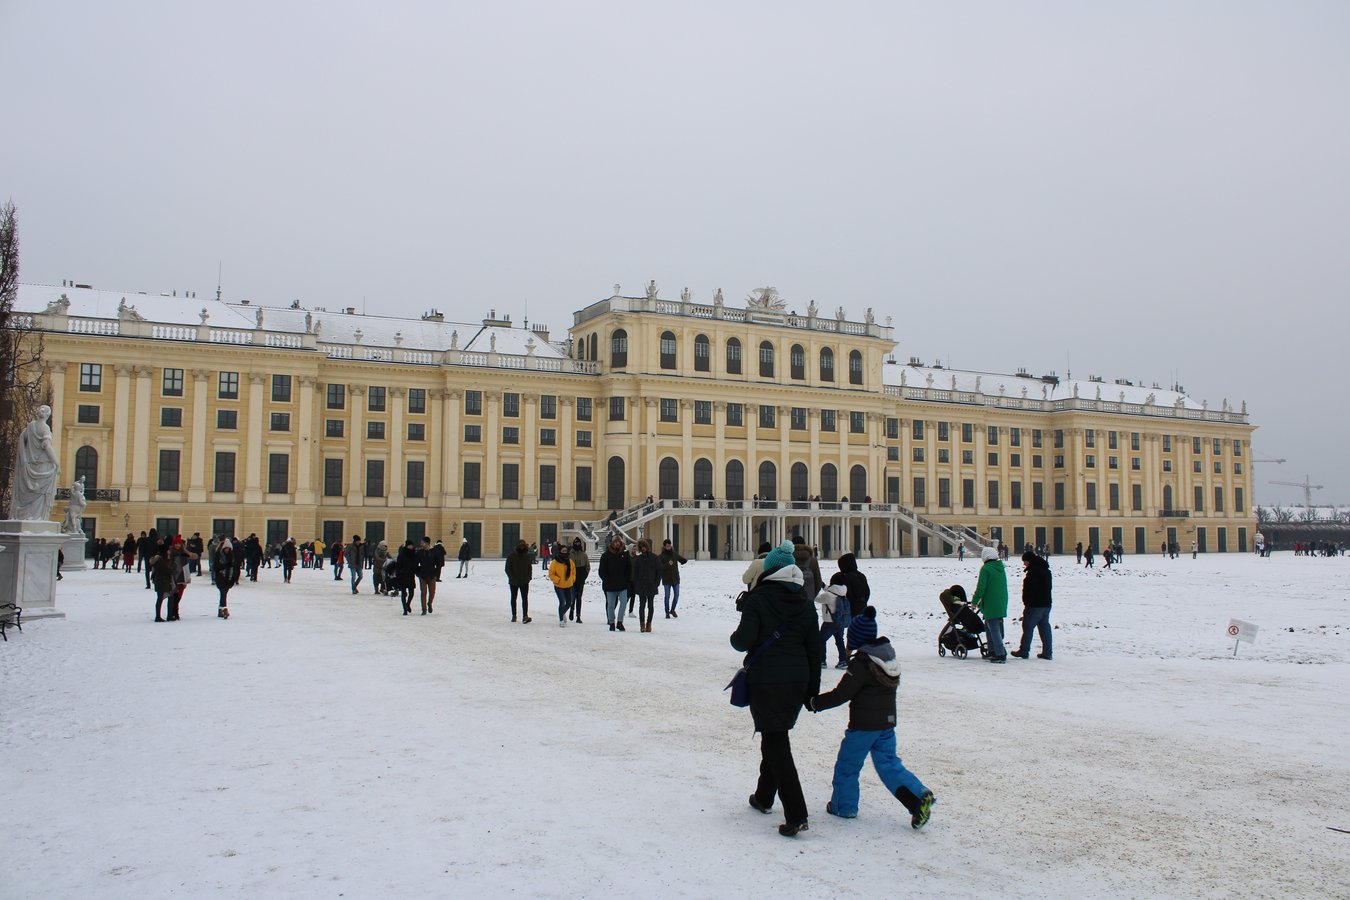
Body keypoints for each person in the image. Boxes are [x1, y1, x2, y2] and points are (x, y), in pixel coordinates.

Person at [807, 607, 935, 829]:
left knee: (847, 766)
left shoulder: (862, 664)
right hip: (886, 724)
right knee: (889, 764)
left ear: (857, 638)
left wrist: (814, 703)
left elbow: (841, 694)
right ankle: (918, 797)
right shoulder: (887, 658)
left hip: (863, 727)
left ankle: (843, 807)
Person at [730, 540, 821, 838]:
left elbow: (743, 641)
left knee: (775, 741)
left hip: (767, 680)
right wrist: (812, 690)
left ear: (769, 571)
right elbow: (815, 651)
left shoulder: (758, 599)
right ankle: (763, 796)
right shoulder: (805, 603)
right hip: (797, 682)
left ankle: (796, 813)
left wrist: (736, 634)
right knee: (775, 734)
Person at [1011, 551, 1053, 660]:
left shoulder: (1033, 572)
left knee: (1028, 627)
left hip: (1035, 605)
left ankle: (1024, 651)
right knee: (1044, 627)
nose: (1024, 564)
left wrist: (1027, 602)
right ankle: (1047, 652)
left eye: (1024, 561)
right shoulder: (1046, 570)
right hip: (1046, 604)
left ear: (1029, 561)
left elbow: (1030, 589)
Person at [970, 546, 1008, 663]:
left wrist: (974, 601)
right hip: (1001, 601)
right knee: (989, 627)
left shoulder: (986, 569)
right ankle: (992, 651)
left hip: (990, 602)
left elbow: (981, 588)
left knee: (994, 629)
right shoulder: (1000, 567)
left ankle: (1000, 654)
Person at [598, 535, 632, 632]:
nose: (617, 543)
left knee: (624, 603)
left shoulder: (625, 555)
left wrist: (626, 580)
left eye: (619, 542)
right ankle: (611, 622)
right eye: (615, 542)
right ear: (612, 543)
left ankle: (620, 622)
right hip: (610, 585)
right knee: (611, 605)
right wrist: (607, 580)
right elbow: (602, 571)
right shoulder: (606, 556)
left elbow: (629, 569)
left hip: (622, 585)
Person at [830, 553, 871, 619]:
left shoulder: (845, 577)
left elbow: (848, 594)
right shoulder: (861, 575)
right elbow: (867, 592)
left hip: (852, 610)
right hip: (863, 607)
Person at [632, 539, 661, 633]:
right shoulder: (639, 559)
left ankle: (649, 623)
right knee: (642, 605)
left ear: (647, 547)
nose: (643, 549)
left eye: (644, 547)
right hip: (641, 586)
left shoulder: (654, 558)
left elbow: (658, 572)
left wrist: (656, 583)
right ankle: (642, 624)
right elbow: (635, 573)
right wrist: (637, 583)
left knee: (650, 606)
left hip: (651, 585)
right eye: (641, 547)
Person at [818, 583, 849, 669]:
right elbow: (832, 590)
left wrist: (813, 587)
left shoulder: (827, 596)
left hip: (829, 623)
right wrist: (823, 586)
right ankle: (843, 661)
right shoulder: (843, 593)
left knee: (821, 640)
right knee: (840, 641)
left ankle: (822, 661)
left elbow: (816, 598)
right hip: (840, 622)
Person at [504, 540, 533, 623]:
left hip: (524, 581)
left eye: (523, 546)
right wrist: (511, 577)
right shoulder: (511, 556)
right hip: (514, 581)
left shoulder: (527, 556)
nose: (522, 547)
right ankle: (514, 615)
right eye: (520, 546)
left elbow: (529, 568)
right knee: (514, 598)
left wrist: (529, 577)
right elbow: (507, 568)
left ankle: (525, 616)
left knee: (525, 599)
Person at [548, 542, 576, 627]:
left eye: (565, 551)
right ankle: (561, 620)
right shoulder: (555, 562)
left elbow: (573, 572)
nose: (564, 552)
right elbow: (551, 574)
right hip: (559, 585)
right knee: (562, 601)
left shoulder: (570, 561)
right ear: (560, 551)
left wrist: (572, 579)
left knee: (569, 602)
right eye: (563, 551)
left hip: (568, 585)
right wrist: (557, 580)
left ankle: (562, 612)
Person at [658, 538, 687, 619]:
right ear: (664, 547)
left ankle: (672, 610)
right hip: (666, 579)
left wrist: (684, 561)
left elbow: (681, 559)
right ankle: (667, 612)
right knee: (667, 596)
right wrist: (668, 564)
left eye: (669, 546)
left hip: (675, 578)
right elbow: (659, 567)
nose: (669, 547)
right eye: (667, 546)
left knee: (676, 595)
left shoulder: (674, 554)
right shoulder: (661, 556)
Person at [150, 540, 175, 622]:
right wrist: (173, 570)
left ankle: (167, 615)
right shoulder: (161, 560)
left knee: (167, 597)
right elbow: (168, 570)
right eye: (168, 550)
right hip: (162, 581)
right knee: (162, 598)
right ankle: (160, 616)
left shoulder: (161, 559)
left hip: (162, 581)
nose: (169, 552)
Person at [215, 541, 239, 619]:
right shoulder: (218, 555)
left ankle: (220, 610)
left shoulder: (232, 556)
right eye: (226, 548)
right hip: (221, 577)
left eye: (229, 548)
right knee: (223, 593)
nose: (227, 550)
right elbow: (216, 567)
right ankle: (224, 610)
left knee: (224, 594)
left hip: (229, 577)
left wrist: (233, 578)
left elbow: (234, 567)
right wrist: (226, 565)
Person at [394, 540, 418, 615]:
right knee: (404, 593)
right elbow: (398, 564)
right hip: (403, 575)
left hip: (411, 575)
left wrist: (416, 570)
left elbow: (416, 563)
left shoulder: (414, 553)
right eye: (410, 545)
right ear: (407, 545)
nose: (411, 547)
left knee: (411, 593)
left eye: (412, 545)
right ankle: (404, 609)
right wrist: (400, 572)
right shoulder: (402, 553)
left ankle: (408, 604)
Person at [416, 536, 438, 614]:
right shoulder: (420, 552)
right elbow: (416, 563)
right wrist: (418, 572)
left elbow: (438, 563)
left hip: (432, 575)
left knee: (432, 592)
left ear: (427, 543)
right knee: (423, 592)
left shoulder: (434, 551)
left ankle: (429, 603)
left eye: (422, 543)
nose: (421, 544)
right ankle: (424, 609)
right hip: (422, 575)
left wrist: (436, 573)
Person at [570, 537, 589, 623]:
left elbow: (587, 566)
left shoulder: (583, 554)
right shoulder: (570, 554)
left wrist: (584, 575)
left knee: (579, 597)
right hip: (572, 579)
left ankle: (578, 615)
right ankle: (571, 609)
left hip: (581, 578)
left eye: (578, 543)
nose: (577, 544)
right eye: (576, 543)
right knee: (572, 596)